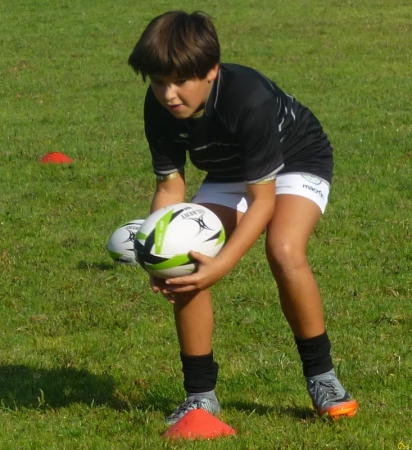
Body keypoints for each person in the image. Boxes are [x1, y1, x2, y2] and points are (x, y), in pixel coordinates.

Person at [128, 10, 358, 425]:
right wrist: (157, 254)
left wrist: (222, 265)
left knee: (284, 250)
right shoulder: (158, 106)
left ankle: (323, 379)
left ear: (211, 71)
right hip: (232, 171)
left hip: (296, 160)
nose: (168, 94)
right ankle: (200, 395)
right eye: (159, 81)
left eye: (180, 81)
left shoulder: (247, 97)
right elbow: (169, 187)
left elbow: (263, 201)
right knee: (183, 258)